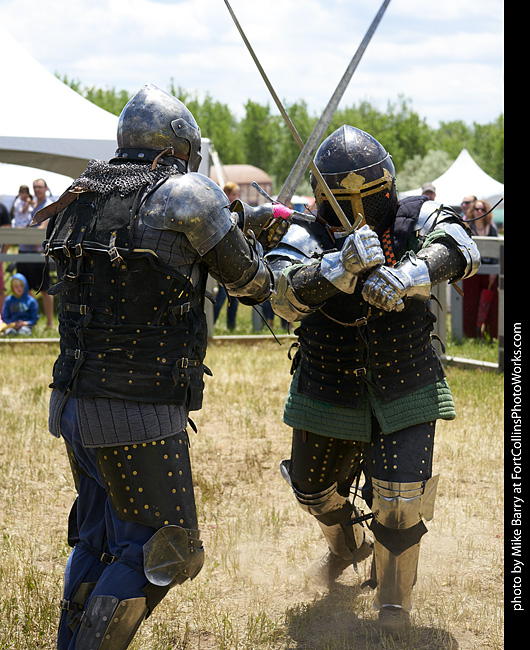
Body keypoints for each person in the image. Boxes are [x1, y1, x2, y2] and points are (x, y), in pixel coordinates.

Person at [32, 83, 288, 650]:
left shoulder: (83, 193)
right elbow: (252, 285)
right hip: (137, 410)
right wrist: (263, 247)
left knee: (98, 541)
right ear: (179, 149)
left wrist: (242, 224)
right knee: (163, 550)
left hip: (71, 401)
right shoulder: (187, 194)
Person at [265, 125, 480, 635]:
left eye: (371, 195)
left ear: (389, 185)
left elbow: (461, 248)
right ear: (323, 197)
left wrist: (408, 275)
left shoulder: (415, 216)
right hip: (327, 382)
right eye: (343, 200)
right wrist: (337, 267)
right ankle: (350, 548)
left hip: (406, 378)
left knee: (400, 499)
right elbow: (281, 295)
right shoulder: (306, 232)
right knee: (313, 492)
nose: (358, 209)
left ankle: (393, 604)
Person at [16, 179, 55, 328]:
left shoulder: (48, 205)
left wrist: (23, 231)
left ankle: (50, 324)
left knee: (44, 289)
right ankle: (31, 321)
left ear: (46, 188)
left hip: (37, 252)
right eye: (35, 187)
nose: (37, 189)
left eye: (39, 187)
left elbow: (42, 229)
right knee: (26, 288)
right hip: (24, 250)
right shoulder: (33, 205)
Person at [462, 198, 499, 339]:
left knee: (492, 303)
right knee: (470, 303)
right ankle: (470, 335)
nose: (479, 211)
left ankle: (491, 334)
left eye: (482, 209)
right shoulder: (467, 227)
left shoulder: (492, 228)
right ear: (472, 210)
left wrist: (493, 272)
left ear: (486, 211)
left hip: (489, 272)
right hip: (472, 271)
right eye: (477, 209)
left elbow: (496, 250)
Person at [213, 181, 241, 330]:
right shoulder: (221, 210)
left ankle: (231, 326)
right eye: (234, 194)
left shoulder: (237, 210)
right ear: (227, 194)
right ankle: (211, 324)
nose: (236, 197)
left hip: (234, 259)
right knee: (222, 296)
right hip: (223, 260)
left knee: (235, 297)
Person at [0, 198, 11, 313]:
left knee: (0, 288)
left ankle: (1, 317)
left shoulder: (2, 209)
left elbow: (8, 234)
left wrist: (2, 255)